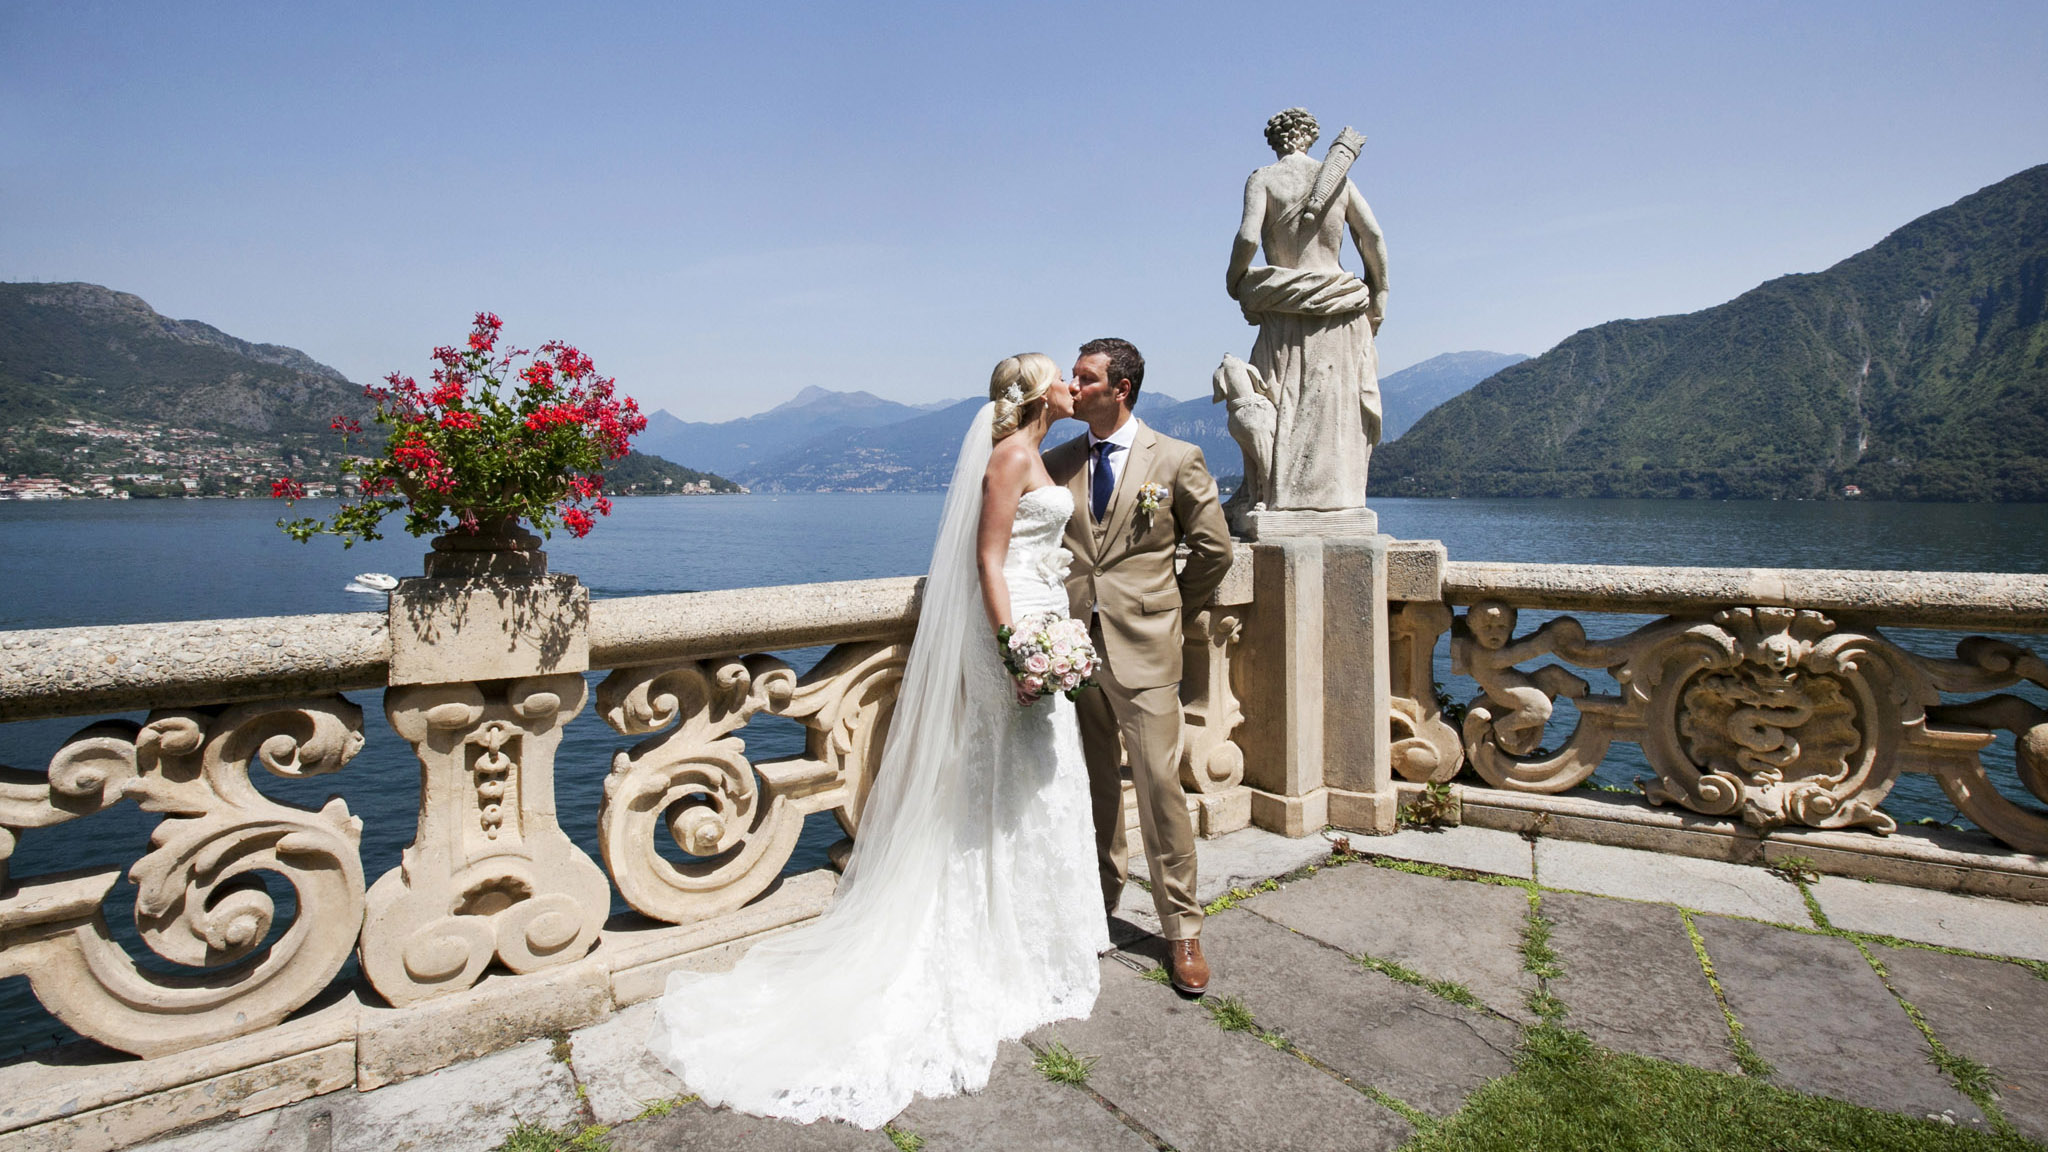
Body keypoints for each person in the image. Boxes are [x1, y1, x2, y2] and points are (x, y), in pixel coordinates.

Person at [647, 353, 1107, 1129]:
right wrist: (1014, 644)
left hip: (1044, 616)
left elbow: (1040, 520)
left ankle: (1035, 938)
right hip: (1013, 630)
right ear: (1035, 393)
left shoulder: (1037, 451)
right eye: (1060, 374)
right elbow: (987, 558)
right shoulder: (1008, 456)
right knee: (1002, 777)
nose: (1070, 382)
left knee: (1037, 781)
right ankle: (995, 945)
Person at [1043, 338, 1234, 994]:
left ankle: (1182, 930)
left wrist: (1172, 608)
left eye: (1086, 377)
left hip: (1147, 650)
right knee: (1092, 786)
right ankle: (1100, 905)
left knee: (1159, 789)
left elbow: (1214, 550)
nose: (1074, 386)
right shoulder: (1058, 459)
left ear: (1120, 388)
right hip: (1073, 650)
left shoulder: (1176, 459)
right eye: (1072, 376)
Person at [1226, 106, 1390, 512]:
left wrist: (1235, 279)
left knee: (1284, 402)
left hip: (1284, 305)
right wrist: (1380, 290)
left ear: (1275, 140)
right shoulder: (1339, 181)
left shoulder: (1263, 179)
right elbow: (1372, 236)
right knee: (1337, 409)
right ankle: (1340, 499)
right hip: (1340, 305)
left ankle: (1280, 497)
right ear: (1310, 137)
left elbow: (1248, 236)